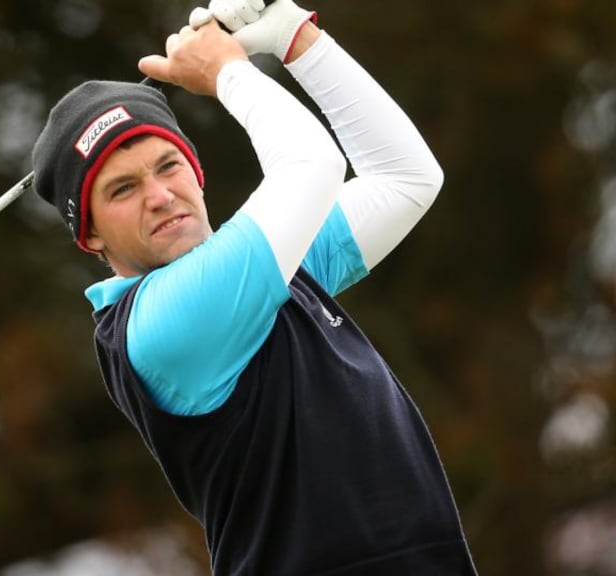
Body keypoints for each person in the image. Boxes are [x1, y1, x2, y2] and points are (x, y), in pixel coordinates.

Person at [32, 0, 478, 573]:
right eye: (122, 190)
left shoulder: (272, 267)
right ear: (90, 237)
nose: (160, 195)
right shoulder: (160, 325)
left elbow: (406, 178)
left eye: (168, 166)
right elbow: (311, 165)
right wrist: (226, 71)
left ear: (196, 172)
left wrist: (298, 41)